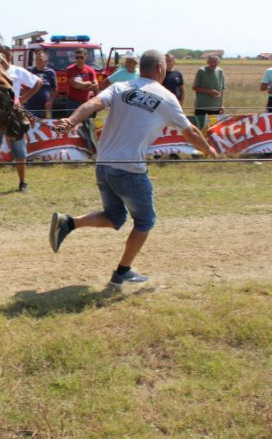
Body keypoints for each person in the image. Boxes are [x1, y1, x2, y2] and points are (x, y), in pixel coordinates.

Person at [48, 50, 218, 286]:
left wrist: (70, 121)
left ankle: (68, 222)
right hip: (129, 169)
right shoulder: (166, 97)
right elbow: (190, 132)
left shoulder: (121, 87)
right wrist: (209, 149)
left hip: (104, 165)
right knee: (145, 221)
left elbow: (92, 103)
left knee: (114, 217)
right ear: (160, 69)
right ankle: (122, 272)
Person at [0, 46, 41, 194]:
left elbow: (38, 82)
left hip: (14, 116)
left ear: (8, 57)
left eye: (1, 56)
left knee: (19, 150)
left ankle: (22, 182)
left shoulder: (17, 71)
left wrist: (22, 99)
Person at [24, 48, 57, 119]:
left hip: (46, 108)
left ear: (45, 61)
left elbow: (55, 90)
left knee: (47, 126)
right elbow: (24, 87)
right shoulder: (30, 71)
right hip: (31, 107)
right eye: (37, 59)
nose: (38, 61)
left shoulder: (50, 72)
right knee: (30, 126)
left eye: (41, 59)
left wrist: (50, 102)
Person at [64, 49, 99, 114]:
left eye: (81, 57)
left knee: (87, 122)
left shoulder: (90, 70)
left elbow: (96, 86)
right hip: (72, 103)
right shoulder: (69, 69)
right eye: (77, 57)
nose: (79, 59)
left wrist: (82, 86)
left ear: (85, 57)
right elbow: (75, 86)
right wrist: (89, 83)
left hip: (86, 101)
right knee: (71, 123)